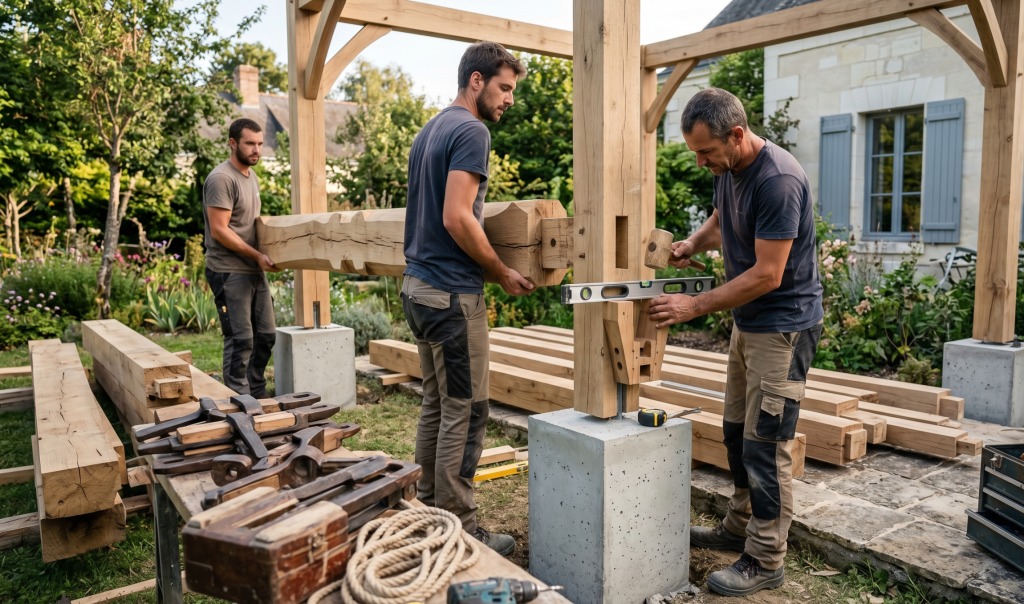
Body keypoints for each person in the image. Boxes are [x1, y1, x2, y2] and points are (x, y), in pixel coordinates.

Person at [648, 88, 824, 596]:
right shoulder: (728, 168)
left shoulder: (778, 180)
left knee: (766, 445)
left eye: (705, 151)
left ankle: (766, 558)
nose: (700, 162)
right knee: (735, 433)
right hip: (748, 323)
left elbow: (768, 274)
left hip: (783, 326)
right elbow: (722, 218)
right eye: (695, 152)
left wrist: (693, 306)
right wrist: (692, 242)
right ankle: (738, 526)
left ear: (737, 135)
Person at [401, 42, 532, 557]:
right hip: (452, 296)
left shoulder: (430, 129)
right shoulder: (472, 131)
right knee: (469, 409)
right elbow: (457, 216)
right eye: (504, 88)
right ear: (476, 81)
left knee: (437, 404)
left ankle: (429, 510)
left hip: (418, 289)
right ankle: (459, 524)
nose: (509, 100)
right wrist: (499, 270)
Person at [203, 117, 281, 398]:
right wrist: (257, 255)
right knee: (241, 339)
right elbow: (219, 230)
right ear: (233, 143)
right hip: (228, 270)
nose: (256, 149)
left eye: (260, 144)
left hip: (253, 268)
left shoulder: (252, 176)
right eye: (250, 143)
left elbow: (250, 224)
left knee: (266, 335)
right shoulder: (222, 179)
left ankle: (257, 393)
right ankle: (239, 399)